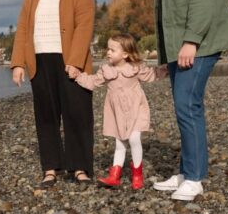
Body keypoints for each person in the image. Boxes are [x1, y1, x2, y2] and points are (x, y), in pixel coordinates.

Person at [137, 0, 228, 201]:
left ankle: (195, 178)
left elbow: (204, 0)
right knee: (184, 108)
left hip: (200, 45)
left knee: (188, 106)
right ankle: (185, 172)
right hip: (181, 49)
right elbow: (168, 14)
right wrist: (166, 57)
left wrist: (191, 41)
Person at [10, 0, 96, 187]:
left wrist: (76, 62)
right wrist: (18, 64)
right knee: (46, 117)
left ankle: (79, 168)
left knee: (77, 115)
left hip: (70, 62)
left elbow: (84, 26)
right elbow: (23, 31)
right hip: (39, 62)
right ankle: (50, 168)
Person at [66, 34, 167, 189]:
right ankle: (115, 175)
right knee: (120, 143)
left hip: (136, 108)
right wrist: (78, 76)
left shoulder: (135, 68)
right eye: (108, 49)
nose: (108, 52)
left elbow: (151, 75)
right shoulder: (106, 69)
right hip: (117, 112)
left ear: (125, 54)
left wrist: (167, 69)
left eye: (113, 50)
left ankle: (137, 175)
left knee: (134, 139)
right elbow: (93, 82)